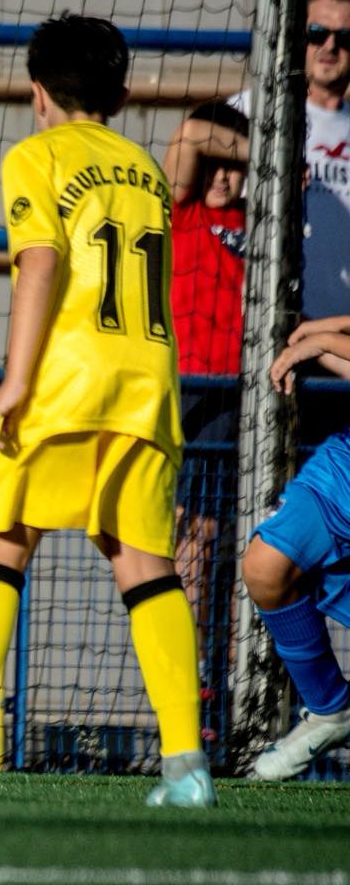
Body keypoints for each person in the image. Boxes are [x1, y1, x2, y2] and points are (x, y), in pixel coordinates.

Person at [0, 14, 214, 807]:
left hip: (65, 383)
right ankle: (187, 769)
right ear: (122, 93)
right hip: (147, 384)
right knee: (146, 565)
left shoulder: (34, 156)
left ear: (37, 92)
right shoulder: (142, 166)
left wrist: (15, 380)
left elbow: (41, 260)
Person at [230, 0, 350, 446]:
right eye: (316, 33)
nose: (330, 46)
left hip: (336, 362)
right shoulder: (248, 114)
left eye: (345, 36)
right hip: (259, 352)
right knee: (216, 510)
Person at [239, 318, 350, 780]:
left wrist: (324, 341)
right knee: (265, 566)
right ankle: (330, 710)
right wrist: (326, 331)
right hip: (343, 471)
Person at [162, 100, 250, 676]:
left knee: (231, 544)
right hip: (186, 391)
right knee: (190, 537)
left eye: (232, 165)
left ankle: (228, 676)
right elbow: (190, 134)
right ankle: (189, 674)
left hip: (242, 394)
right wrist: (256, 151)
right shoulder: (182, 212)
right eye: (215, 163)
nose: (222, 174)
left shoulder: (259, 221)